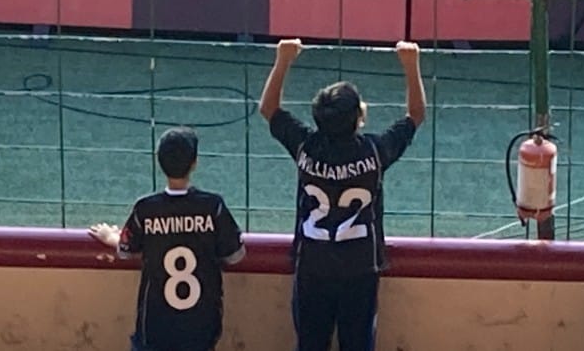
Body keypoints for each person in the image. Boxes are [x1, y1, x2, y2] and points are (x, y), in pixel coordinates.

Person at [259, 38, 426, 351]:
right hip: (359, 268)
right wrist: (410, 65)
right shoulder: (375, 152)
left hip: (312, 264)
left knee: (310, 343)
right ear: (359, 116)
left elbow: (268, 109)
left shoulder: (305, 147)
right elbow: (415, 114)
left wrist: (283, 60)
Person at [89, 127, 245, 351]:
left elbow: (126, 249)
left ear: (158, 162)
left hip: (155, 327)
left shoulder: (146, 208)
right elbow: (235, 255)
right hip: (201, 327)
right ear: (194, 163)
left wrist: (110, 236)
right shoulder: (213, 206)